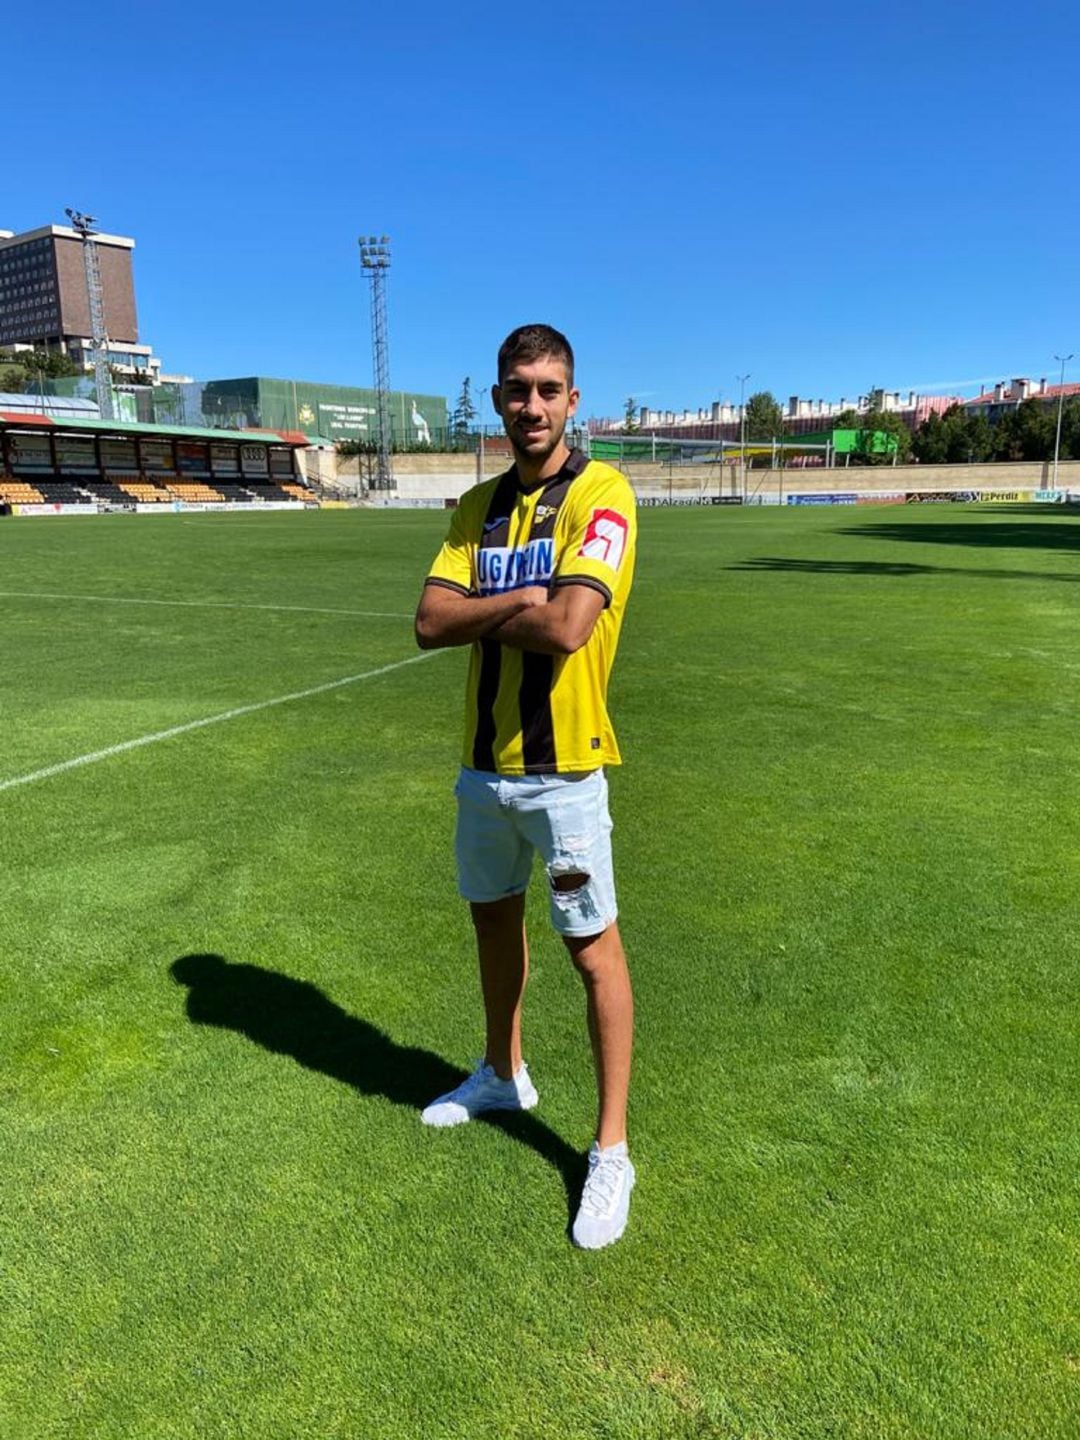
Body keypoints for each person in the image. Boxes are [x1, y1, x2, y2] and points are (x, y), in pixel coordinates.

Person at [414, 323, 638, 1249]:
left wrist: (491, 609)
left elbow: (571, 627)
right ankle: (503, 1073)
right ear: (499, 399)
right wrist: (517, 599)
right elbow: (430, 621)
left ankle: (611, 1152)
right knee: (491, 921)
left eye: (548, 389)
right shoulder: (476, 508)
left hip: (564, 775)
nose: (532, 406)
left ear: (573, 400)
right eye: (517, 390)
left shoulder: (605, 493)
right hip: (483, 770)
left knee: (592, 952)